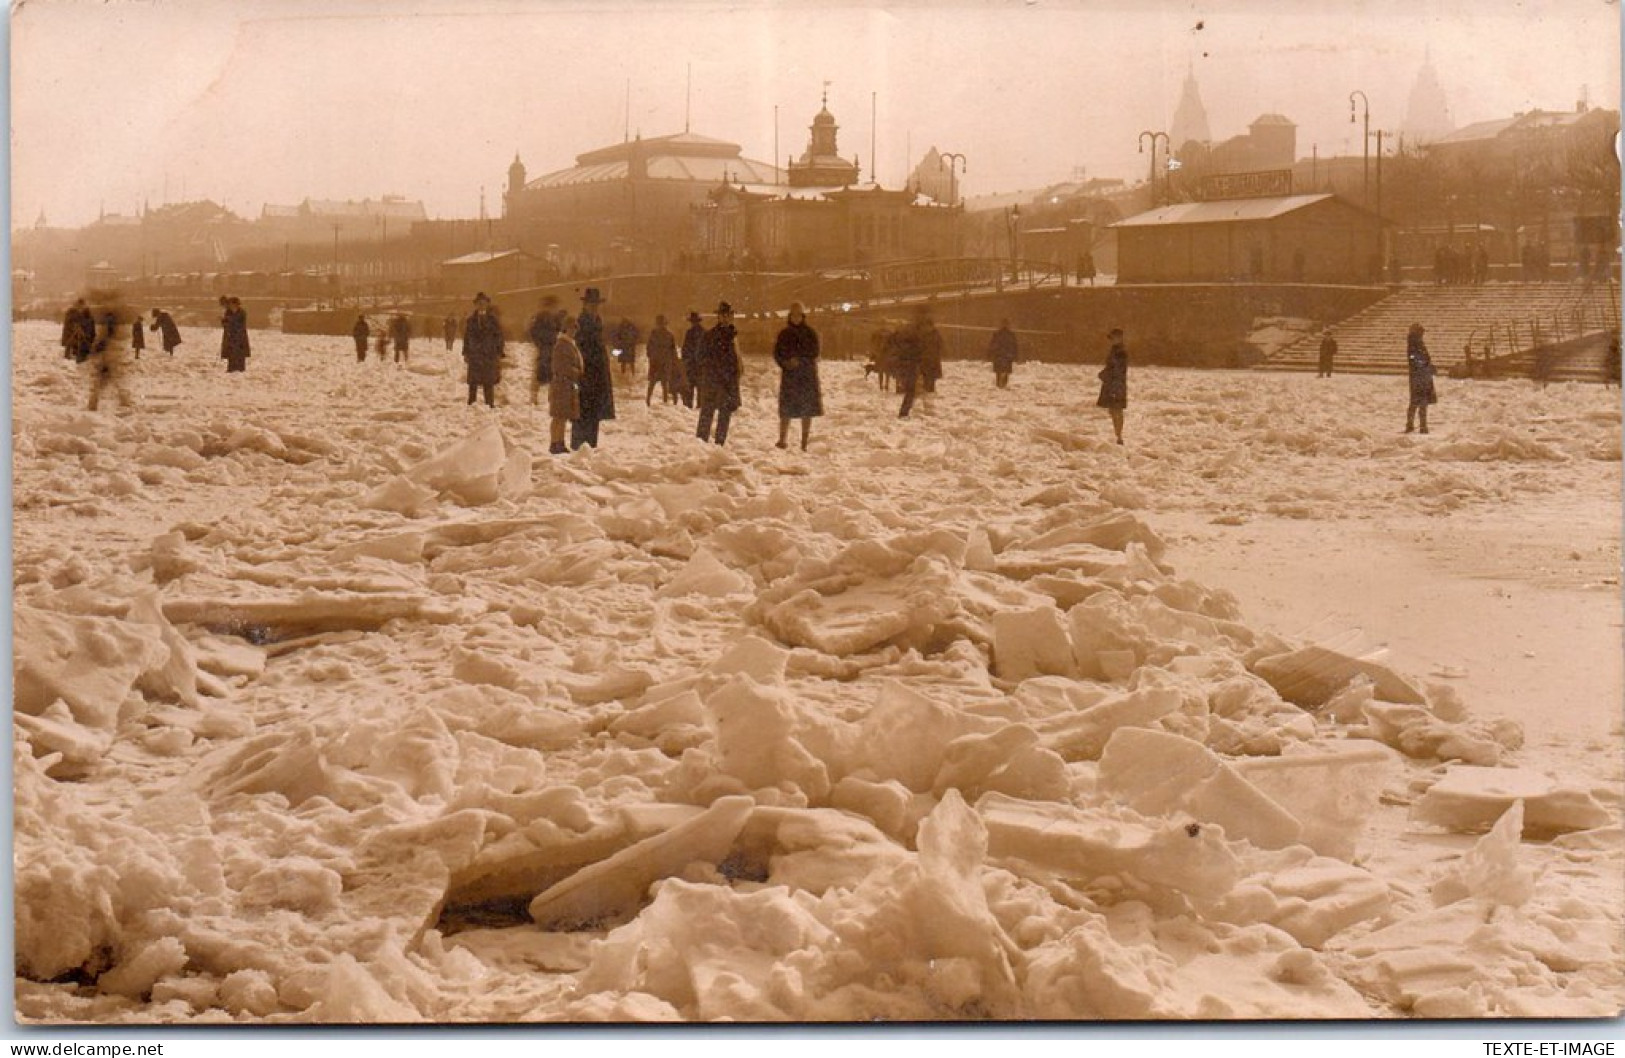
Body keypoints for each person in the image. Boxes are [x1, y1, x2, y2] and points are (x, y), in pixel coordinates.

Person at [773, 302, 822, 450]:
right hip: (790, 377)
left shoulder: (811, 333)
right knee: (786, 410)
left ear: (803, 316)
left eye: (798, 314)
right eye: (793, 315)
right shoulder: (784, 334)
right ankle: (782, 440)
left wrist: (800, 360)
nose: (796, 317)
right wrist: (786, 363)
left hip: (806, 376)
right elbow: (777, 354)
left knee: (807, 411)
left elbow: (815, 353)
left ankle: (804, 442)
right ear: (790, 316)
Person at [572, 287, 616, 448]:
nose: (594, 307)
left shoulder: (597, 320)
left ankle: (591, 443)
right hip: (587, 371)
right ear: (585, 305)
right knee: (583, 410)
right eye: (591, 304)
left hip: (597, 372)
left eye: (596, 304)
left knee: (593, 411)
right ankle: (579, 445)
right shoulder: (582, 322)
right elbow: (581, 347)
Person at [694, 301, 742, 445]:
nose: (726, 318)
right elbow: (700, 357)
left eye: (729, 315)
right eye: (723, 315)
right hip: (713, 380)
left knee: (725, 413)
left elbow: (736, 359)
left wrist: (736, 374)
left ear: (732, 316)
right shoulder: (710, 335)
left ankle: (719, 444)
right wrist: (714, 369)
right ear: (718, 317)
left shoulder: (733, 336)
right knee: (707, 412)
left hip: (728, 382)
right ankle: (700, 445)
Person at [84, 298, 135, 412]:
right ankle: (124, 401)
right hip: (113, 356)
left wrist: (93, 352)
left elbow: (101, 342)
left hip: (107, 357)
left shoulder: (107, 331)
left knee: (101, 382)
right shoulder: (119, 330)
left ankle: (93, 405)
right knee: (116, 380)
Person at [548, 318, 584, 454]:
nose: (573, 331)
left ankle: (560, 442)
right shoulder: (562, 345)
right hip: (561, 384)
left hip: (567, 384)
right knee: (558, 416)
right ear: (565, 329)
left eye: (575, 328)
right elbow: (560, 366)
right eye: (571, 328)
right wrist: (576, 372)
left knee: (562, 416)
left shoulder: (569, 344)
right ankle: (554, 443)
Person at [462, 291, 504, 407]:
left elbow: (499, 336)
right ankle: (471, 403)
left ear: (487, 304)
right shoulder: (471, 320)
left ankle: (490, 404)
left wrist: (499, 351)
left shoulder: (493, 320)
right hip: (475, 354)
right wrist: (465, 352)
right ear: (475, 305)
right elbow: (466, 337)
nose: (481, 306)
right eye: (479, 303)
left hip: (488, 354)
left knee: (488, 381)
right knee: (473, 382)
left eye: (483, 303)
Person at [1097, 327, 1129, 445]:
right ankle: (1118, 435)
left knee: (1117, 410)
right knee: (1113, 410)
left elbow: (1117, 370)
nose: (1112, 340)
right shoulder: (1115, 350)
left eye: (1113, 338)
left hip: (1116, 384)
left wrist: (1106, 376)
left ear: (1119, 338)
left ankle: (1119, 436)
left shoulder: (1120, 352)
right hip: (1112, 383)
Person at [1405, 322, 1437, 434]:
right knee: (1419, 400)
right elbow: (1414, 359)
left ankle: (1413, 424)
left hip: (1421, 375)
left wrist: (1428, 366)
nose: (1422, 334)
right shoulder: (1414, 344)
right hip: (1419, 375)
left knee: (1417, 401)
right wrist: (1425, 366)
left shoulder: (1417, 343)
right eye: (1421, 332)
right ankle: (1420, 426)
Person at [528, 296, 561, 403]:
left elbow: (559, 330)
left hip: (552, 348)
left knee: (553, 372)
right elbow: (533, 331)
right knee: (539, 372)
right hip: (542, 348)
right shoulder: (539, 317)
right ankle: (534, 396)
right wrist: (539, 343)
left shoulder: (556, 318)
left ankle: (552, 397)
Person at [645, 314, 677, 405]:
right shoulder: (669, 335)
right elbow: (673, 350)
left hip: (656, 362)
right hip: (662, 362)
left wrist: (651, 356)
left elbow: (649, 347)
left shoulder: (654, 334)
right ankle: (662, 401)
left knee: (655, 383)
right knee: (663, 383)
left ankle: (649, 400)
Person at [677, 310, 704, 408]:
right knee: (700, 388)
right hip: (701, 364)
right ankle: (700, 406)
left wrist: (685, 360)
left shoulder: (689, 333)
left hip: (691, 364)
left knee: (690, 387)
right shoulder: (704, 332)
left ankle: (689, 406)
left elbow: (685, 349)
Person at [917, 303, 944, 395]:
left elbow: (940, 346)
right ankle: (928, 393)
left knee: (931, 382)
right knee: (925, 381)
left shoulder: (935, 335)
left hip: (932, 362)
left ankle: (930, 392)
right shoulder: (922, 335)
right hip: (925, 362)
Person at [220, 296, 250, 373]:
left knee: (239, 355)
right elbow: (225, 324)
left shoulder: (242, 312)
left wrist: (228, 320)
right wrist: (223, 321)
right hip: (230, 336)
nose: (230, 306)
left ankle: (240, 370)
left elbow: (239, 324)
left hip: (239, 337)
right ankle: (231, 369)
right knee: (231, 354)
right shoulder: (228, 312)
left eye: (232, 304)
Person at [988, 319, 1018, 388]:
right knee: (1004, 370)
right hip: (1006, 355)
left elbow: (992, 345)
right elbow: (1014, 346)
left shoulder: (997, 334)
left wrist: (991, 353)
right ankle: (1002, 384)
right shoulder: (1010, 335)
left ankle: (1000, 384)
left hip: (1000, 355)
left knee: (1000, 371)